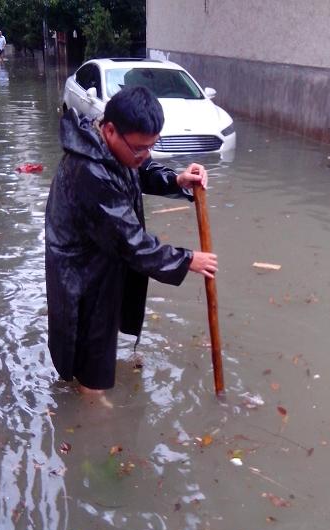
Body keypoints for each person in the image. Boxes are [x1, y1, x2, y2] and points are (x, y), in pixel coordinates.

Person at [45, 86, 218, 403]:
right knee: (90, 345)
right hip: (81, 272)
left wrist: (176, 180)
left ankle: (92, 392)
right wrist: (186, 259)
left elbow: (138, 170)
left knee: (102, 335)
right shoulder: (89, 171)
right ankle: (93, 413)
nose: (145, 155)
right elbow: (132, 243)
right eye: (140, 148)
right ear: (109, 130)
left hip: (104, 259)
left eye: (152, 147)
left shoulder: (109, 147)